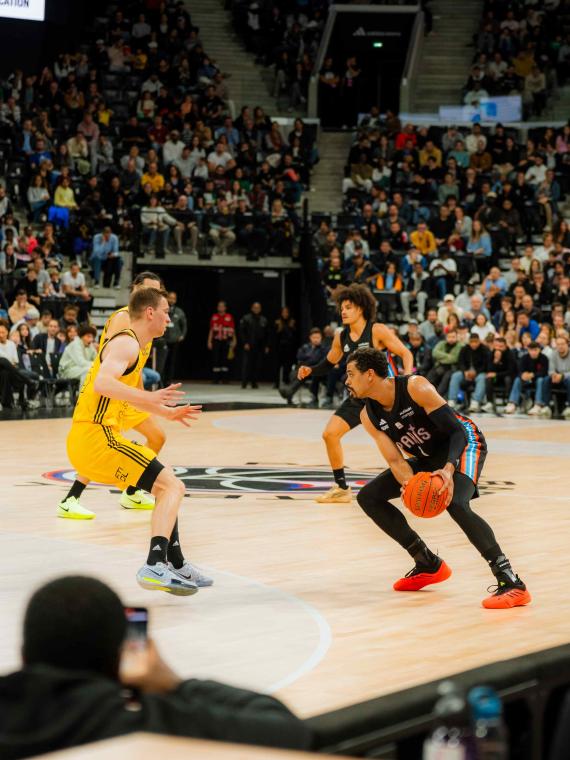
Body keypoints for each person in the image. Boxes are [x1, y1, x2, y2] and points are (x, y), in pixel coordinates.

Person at [0, 576, 311, 759]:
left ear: (24, 655)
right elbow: (291, 734)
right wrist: (174, 684)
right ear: (119, 664)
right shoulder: (143, 728)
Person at [347, 347, 530, 609]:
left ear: (370, 375)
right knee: (369, 497)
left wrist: (448, 469)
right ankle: (427, 563)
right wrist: (411, 485)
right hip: (428, 455)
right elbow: (396, 460)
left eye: (351, 374)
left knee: (455, 502)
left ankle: (511, 582)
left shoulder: (415, 387)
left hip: (464, 444)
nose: (347, 381)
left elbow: (457, 432)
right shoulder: (368, 415)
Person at [65, 287, 208, 593]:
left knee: (165, 486)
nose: (170, 318)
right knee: (173, 486)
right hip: (95, 436)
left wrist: (165, 412)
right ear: (150, 313)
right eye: (166, 312)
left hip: (92, 439)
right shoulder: (127, 342)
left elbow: (126, 395)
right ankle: (155, 566)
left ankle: (176, 563)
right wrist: (149, 397)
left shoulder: (137, 347)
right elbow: (103, 383)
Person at [58, 273, 175, 520]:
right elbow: (114, 363)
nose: (155, 296)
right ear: (137, 291)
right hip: (111, 394)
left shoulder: (150, 323)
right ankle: (71, 497)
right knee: (103, 446)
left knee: (157, 437)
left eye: (158, 291)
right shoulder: (125, 318)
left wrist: (147, 397)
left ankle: (131, 491)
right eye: (149, 290)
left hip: (129, 395)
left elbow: (137, 366)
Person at [296, 284, 413, 503]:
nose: (343, 311)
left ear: (360, 308)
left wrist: (405, 381)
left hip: (382, 398)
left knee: (404, 445)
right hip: (357, 398)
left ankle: (419, 483)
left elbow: (405, 354)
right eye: (342, 308)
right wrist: (310, 370)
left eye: (348, 307)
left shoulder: (377, 330)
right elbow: (329, 363)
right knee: (330, 434)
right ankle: (341, 489)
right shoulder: (341, 337)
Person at [240, 302, 269, 389]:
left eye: (258, 308)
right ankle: (244, 383)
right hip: (249, 345)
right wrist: (245, 342)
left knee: (256, 365)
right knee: (247, 365)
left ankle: (254, 383)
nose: (256, 309)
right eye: (255, 308)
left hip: (259, 346)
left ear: (260, 309)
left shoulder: (263, 320)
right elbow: (242, 332)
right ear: (252, 308)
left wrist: (266, 345)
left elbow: (267, 334)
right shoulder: (246, 318)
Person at [207, 300, 236, 383]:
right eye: (219, 306)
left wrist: (234, 340)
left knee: (225, 359)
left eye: (222, 306)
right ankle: (215, 379)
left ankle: (225, 379)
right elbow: (211, 330)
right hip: (216, 340)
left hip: (226, 341)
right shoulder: (214, 316)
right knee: (216, 359)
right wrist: (209, 341)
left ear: (225, 308)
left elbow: (233, 330)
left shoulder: (229, 317)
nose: (220, 308)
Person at [163, 291, 187, 385]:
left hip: (174, 340)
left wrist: (182, 335)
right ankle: (162, 380)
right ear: (167, 298)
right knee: (163, 361)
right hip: (164, 339)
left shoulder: (179, 311)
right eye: (170, 298)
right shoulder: (163, 309)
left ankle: (169, 380)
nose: (172, 300)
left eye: (174, 298)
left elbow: (184, 325)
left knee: (171, 361)